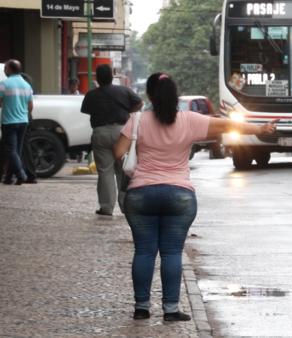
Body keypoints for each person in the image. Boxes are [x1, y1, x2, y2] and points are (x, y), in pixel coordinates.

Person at [113, 73, 278, 321]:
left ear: (149, 96)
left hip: (141, 194)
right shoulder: (189, 120)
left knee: (144, 251)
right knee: (171, 252)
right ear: (175, 96)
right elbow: (226, 124)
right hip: (179, 195)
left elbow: (118, 153)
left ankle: (141, 308)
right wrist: (260, 129)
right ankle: (170, 310)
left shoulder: (136, 121)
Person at [81, 63, 143, 215]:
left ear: (97, 78)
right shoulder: (124, 90)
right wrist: (127, 111)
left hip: (100, 133)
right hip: (122, 133)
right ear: (112, 76)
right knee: (124, 171)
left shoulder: (91, 94)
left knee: (105, 171)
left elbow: (86, 110)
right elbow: (140, 103)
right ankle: (126, 206)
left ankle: (106, 208)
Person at [0, 59, 33, 185]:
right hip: (23, 121)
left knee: (10, 150)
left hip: (9, 121)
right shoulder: (26, 85)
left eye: (6, 68)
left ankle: (21, 174)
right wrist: (25, 116)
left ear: (10, 69)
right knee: (17, 150)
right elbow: (30, 106)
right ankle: (9, 177)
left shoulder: (4, 84)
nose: (4, 70)